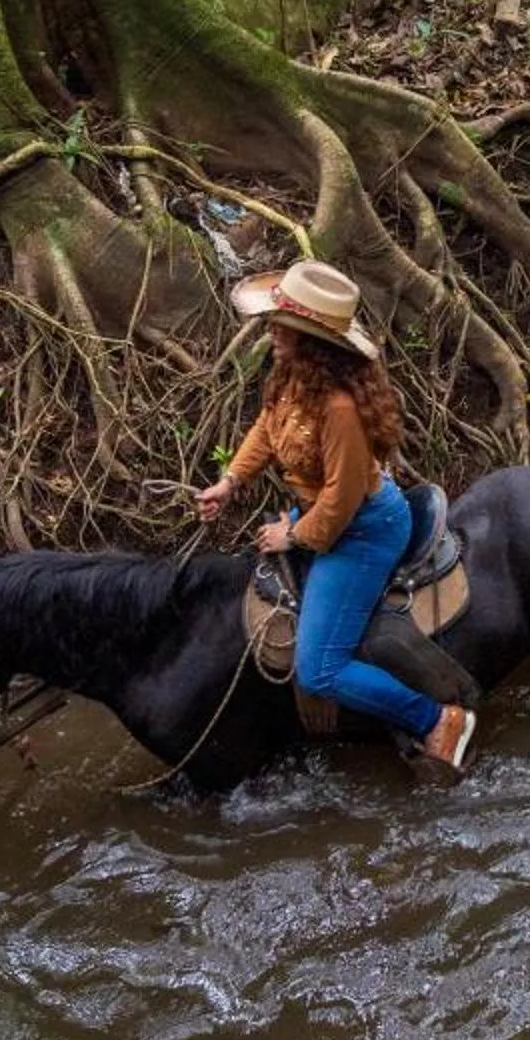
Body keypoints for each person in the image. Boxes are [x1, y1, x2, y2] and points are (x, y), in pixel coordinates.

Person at [195, 260, 476, 777]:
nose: (272, 330)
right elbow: (266, 426)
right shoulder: (289, 377)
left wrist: (292, 536)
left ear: (313, 341)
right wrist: (231, 481)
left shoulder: (341, 409)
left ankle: (438, 720)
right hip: (324, 513)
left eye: (285, 326)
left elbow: (342, 501)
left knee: (320, 670)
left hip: (362, 531)